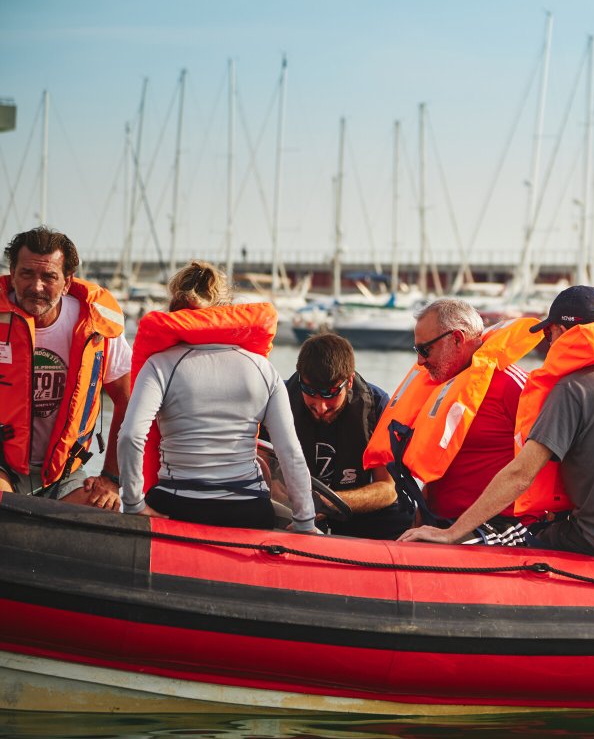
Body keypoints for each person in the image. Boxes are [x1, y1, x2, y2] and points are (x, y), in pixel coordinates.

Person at [399, 285, 594, 560]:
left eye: (548, 335)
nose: (547, 344)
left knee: (524, 541)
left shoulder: (571, 389)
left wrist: (452, 534)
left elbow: (521, 475)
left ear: (561, 331)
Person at [118, 260, 319, 533]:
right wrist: (305, 521)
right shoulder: (262, 369)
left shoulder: (160, 364)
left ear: (176, 310)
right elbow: (290, 453)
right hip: (248, 509)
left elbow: (130, 436)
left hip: (176, 505)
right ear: (225, 309)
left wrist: (133, 505)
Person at [362, 298, 541, 546]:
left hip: (499, 524)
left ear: (457, 339)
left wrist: (452, 532)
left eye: (425, 350)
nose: (420, 362)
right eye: (417, 351)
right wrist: (422, 514)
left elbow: (543, 465)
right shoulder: (441, 385)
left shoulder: (514, 387)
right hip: (440, 519)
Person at [0, 225, 130, 509]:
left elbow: (126, 400)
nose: (36, 287)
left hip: (64, 474)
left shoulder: (97, 324)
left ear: (67, 282)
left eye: (49, 277)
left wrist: (111, 477)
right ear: (12, 273)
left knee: (103, 510)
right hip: (3, 466)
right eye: (26, 274)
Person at [271, 333, 409, 538]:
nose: (321, 406)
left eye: (330, 394)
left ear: (350, 382)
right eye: (309, 391)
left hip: (353, 510)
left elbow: (388, 489)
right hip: (290, 508)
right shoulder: (277, 399)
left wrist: (326, 502)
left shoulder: (376, 406)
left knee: (403, 519)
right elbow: (259, 464)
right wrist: (273, 487)